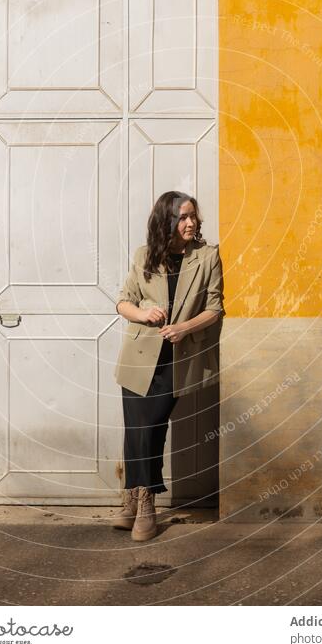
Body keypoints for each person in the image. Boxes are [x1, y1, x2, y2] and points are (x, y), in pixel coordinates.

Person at [112, 191, 225, 540]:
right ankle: (134, 499)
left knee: (153, 425)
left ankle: (146, 499)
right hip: (138, 356)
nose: (191, 223)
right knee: (135, 427)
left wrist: (184, 327)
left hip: (177, 358)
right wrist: (144, 314)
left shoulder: (207, 257)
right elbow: (123, 302)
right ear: (167, 221)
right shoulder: (144, 256)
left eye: (193, 216)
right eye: (183, 217)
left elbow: (216, 307)